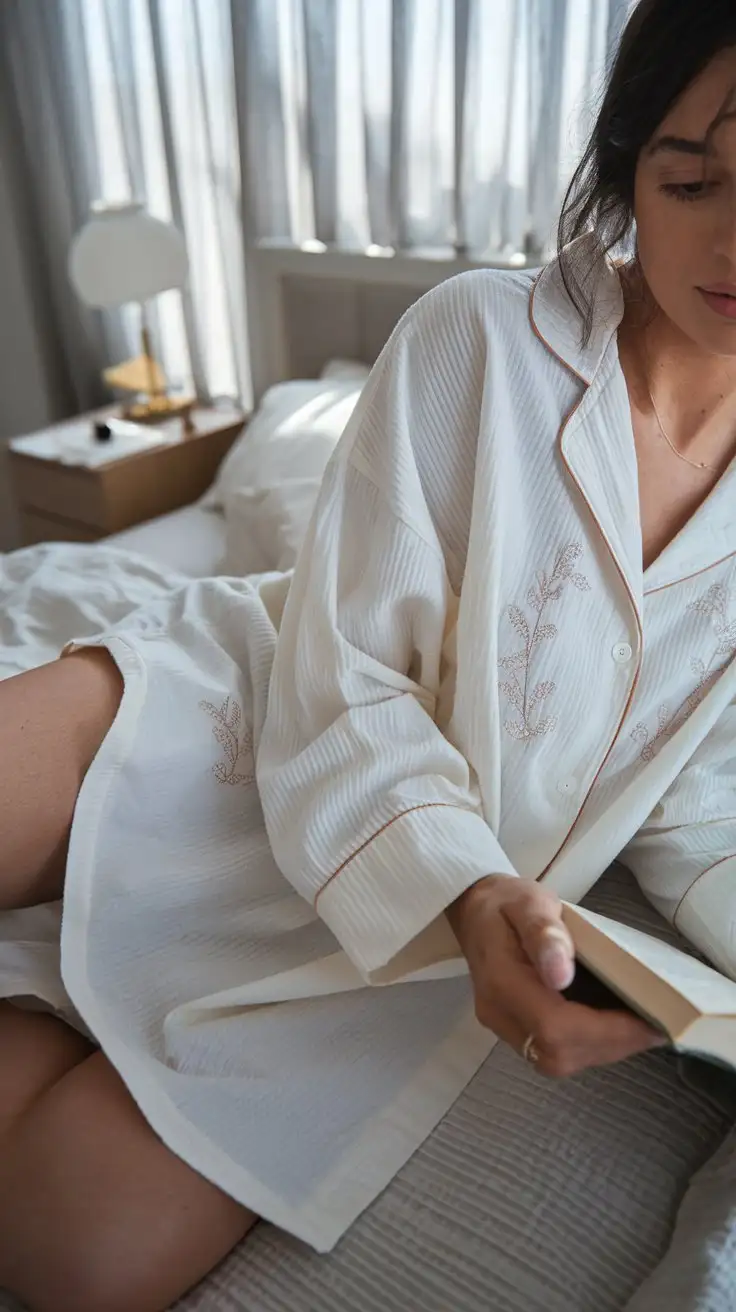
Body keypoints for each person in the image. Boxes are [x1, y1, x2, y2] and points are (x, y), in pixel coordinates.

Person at [2, 0, 736, 1308]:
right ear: (633, 170)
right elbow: (343, 671)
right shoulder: (483, 337)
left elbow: (695, 799)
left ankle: (55, 983)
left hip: (404, 910)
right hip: (246, 711)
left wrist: (483, 903)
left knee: (77, 1262)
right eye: (695, 184)